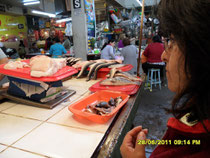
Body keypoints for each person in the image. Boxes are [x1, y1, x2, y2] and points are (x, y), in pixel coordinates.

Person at [120, 0, 210, 157]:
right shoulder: (199, 116)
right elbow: (183, 141)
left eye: (171, 41)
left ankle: (150, 82)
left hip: (151, 68)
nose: (164, 54)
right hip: (160, 69)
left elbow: (143, 59)